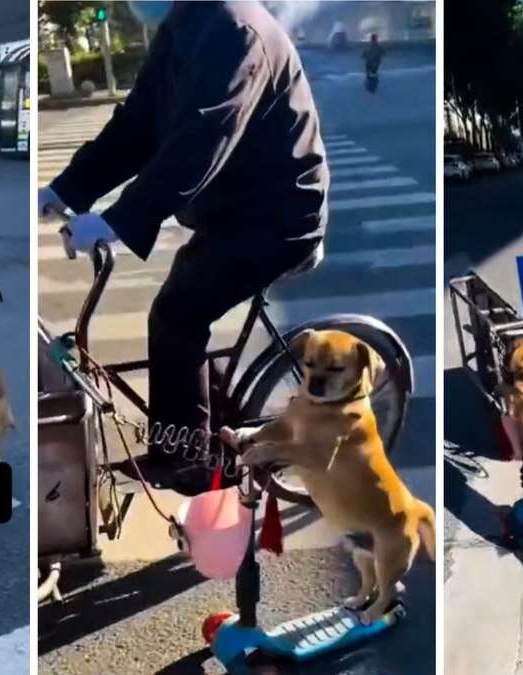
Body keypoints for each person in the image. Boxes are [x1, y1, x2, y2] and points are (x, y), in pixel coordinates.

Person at [38, 1, 328, 495]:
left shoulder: (235, 30)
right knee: (181, 309)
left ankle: (190, 462)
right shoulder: (184, 24)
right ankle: (216, 436)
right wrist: (66, 189)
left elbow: (202, 139)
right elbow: (138, 124)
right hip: (231, 213)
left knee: (177, 314)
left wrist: (118, 221)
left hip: (275, 218)